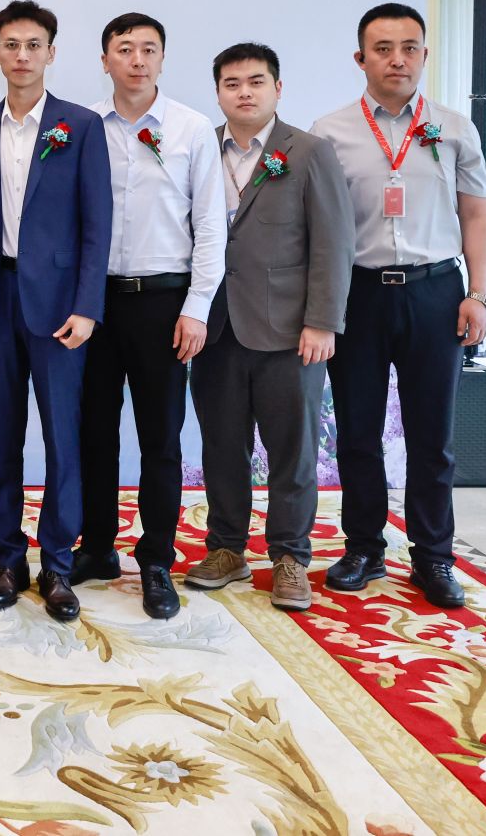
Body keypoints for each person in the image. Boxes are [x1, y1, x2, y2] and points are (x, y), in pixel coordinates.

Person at [309, 3, 486, 610]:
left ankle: (434, 556)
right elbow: (318, 227)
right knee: (358, 432)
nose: (397, 60)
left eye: (409, 48)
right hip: (358, 293)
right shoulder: (329, 132)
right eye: (383, 49)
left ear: (424, 55)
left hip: (434, 292)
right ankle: (364, 547)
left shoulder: (454, 129)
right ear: (360, 58)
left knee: (431, 435)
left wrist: (478, 293)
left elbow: (476, 214)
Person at [184, 43, 352, 613]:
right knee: (221, 445)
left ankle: (290, 557)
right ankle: (226, 549)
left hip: (289, 331)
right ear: (218, 92)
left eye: (256, 81)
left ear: (277, 88)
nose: (244, 92)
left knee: (291, 450)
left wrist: (322, 321)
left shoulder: (308, 151)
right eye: (232, 83)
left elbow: (333, 242)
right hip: (215, 327)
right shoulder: (200, 147)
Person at [0, 1, 113, 623]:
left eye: (33, 45)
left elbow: (97, 225)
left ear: (51, 52)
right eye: (10, 44)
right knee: (2, 433)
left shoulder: (80, 126)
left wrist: (87, 306)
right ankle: (8, 557)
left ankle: (57, 562)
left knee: (61, 437)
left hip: (59, 309)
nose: (21, 55)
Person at [75, 14, 226, 620]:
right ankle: (97, 547)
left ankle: (157, 558)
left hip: (165, 302)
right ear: (105, 60)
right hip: (94, 304)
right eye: (124, 49)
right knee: (94, 432)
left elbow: (210, 225)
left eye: (148, 49)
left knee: (160, 438)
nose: (137, 60)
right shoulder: (82, 127)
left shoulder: (191, 129)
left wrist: (197, 307)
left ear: (162, 58)